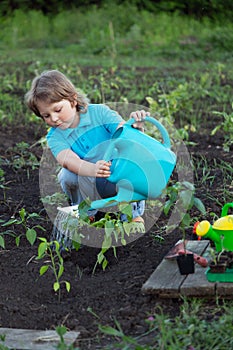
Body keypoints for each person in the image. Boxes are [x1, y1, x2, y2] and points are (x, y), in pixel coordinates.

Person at [25, 70, 149, 242]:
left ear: (73, 100)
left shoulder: (99, 113)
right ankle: (86, 211)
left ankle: (130, 214)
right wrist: (93, 169)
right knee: (67, 175)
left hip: (116, 171)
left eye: (58, 110)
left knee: (130, 165)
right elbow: (68, 160)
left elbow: (125, 135)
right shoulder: (55, 136)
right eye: (46, 115)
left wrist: (137, 127)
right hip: (89, 176)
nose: (54, 118)